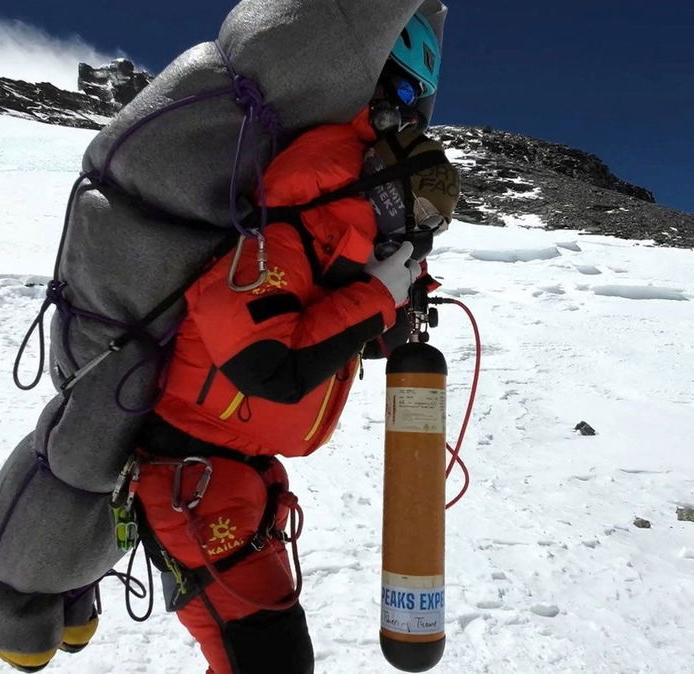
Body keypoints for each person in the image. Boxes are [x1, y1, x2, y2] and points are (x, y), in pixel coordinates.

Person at [127, 12, 459, 674]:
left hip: (236, 477)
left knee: (269, 657)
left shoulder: (332, 201)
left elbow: (316, 317)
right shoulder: (300, 194)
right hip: (194, 478)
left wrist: (386, 302)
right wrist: (376, 296)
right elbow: (267, 363)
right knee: (267, 662)